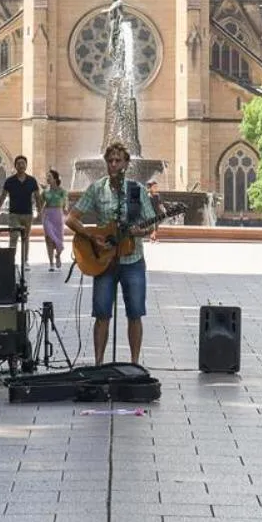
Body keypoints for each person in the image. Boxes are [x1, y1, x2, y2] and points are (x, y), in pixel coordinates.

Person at [67, 139, 160, 365]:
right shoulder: (97, 188)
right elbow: (71, 219)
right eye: (110, 161)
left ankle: (134, 363)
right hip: (104, 262)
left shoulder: (137, 190)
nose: (114, 164)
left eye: (118, 160)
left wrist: (141, 231)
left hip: (133, 260)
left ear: (126, 163)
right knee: (101, 314)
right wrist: (91, 237)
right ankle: (99, 363)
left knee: (135, 313)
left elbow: (152, 224)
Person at [0, 155, 41, 270]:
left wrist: (40, 211)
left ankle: (25, 261)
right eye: (19, 163)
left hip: (28, 214)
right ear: (15, 166)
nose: (21, 165)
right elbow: (3, 196)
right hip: (14, 214)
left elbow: (37, 197)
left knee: (26, 238)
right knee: (13, 237)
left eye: (23, 163)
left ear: (26, 165)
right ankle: (10, 261)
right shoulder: (10, 181)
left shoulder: (32, 181)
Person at [41, 169, 68, 271]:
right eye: (47, 176)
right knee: (48, 238)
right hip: (47, 215)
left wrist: (66, 208)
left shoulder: (62, 191)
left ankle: (58, 255)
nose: (47, 178)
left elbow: (65, 202)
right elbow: (40, 203)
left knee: (59, 239)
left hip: (58, 216)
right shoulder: (45, 192)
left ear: (55, 179)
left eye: (49, 176)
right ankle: (51, 263)